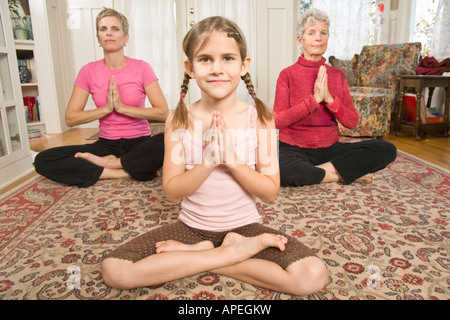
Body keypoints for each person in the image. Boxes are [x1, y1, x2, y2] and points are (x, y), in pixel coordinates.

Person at [101, 16, 328, 296]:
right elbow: (172, 192)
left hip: (245, 229)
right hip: (191, 228)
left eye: (228, 58)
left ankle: (196, 256)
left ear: (244, 65)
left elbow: (270, 192)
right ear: (190, 68)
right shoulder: (178, 119)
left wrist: (230, 159)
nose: (217, 69)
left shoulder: (261, 118)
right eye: (205, 59)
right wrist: (208, 161)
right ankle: (221, 253)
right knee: (114, 269)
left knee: (311, 275)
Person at [34, 8, 169, 188]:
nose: (109, 33)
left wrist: (122, 108)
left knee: (173, 138)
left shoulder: (142, 68)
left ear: (126, 37)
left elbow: (163, 112)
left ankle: (116, 163)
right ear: (98, 38)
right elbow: (70, 118)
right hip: (106, 147)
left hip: (140, 143)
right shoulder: (88, 71)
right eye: (103, 29)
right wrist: (105, 109)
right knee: (43, 159)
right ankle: (121, 171)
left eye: (115, 29)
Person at [274, 8, 397, 187]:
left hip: (329, 148)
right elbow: (277, 120)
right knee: (278, 168)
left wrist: (329, 100)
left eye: (323, 33)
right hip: (293, 148)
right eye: (311, 33)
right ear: (300, 40)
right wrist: (314, 101)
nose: (318, 38)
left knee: (387, 149)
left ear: (328, 37)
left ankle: (316, 172)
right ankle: (340, 174)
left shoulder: (337, 75)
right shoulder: (287, 74)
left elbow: (352, 122)